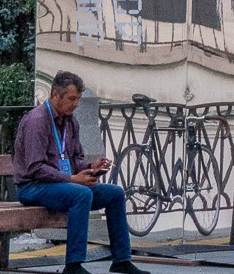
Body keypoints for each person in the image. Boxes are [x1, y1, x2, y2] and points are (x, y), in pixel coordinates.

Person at [13, 73, 142, 274]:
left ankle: (121, 260)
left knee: (115, 193)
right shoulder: (37, 121)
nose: (75, 105)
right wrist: (72, 179)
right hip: (32, 186)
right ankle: (73, 265)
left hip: (59, 183)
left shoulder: (71, 122)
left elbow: (75, 161)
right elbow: (35, 168)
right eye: (71, 99)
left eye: (78, 100)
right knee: (81, 194)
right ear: (55, 95)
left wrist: (91, 167)